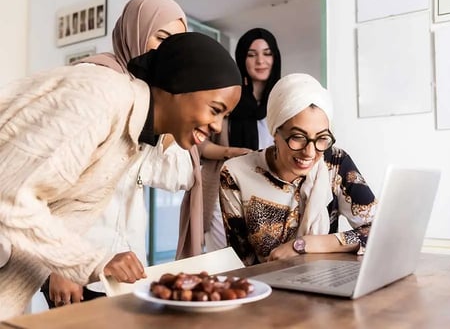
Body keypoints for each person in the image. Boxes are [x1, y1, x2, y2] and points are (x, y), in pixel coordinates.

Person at [0, 32, 242, 319]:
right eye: (216, 110)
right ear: (180, 84)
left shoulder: (133, 140)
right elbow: (10, 196)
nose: (217, 125)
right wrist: (93, 261)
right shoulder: (101, 97)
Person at [40, 0, 202, 309]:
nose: (167, 52)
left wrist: (172, 108)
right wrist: (59, 264)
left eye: (175, 44)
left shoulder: (146, 101)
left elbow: (177, 177)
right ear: (135, 32)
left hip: (126, 271)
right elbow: (47, 184)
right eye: (161, 38)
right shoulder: (94, 87)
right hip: (76, 267)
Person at [219, 73, 376, 266]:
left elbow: (381, 230)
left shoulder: (335, 162)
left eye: (322, 138)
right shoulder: (235, 174)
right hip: (267, 285)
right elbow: (241, 262)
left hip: (325, 280)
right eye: (298, 137)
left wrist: (305, 244)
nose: (310, 152)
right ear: (275, 133)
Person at [201, 28, 282, 252]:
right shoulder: (227, 97)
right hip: (223, 191)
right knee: (223, 263)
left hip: (270, 195)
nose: (260, 61)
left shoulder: (282, 102)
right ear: (241, 59)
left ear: (275, 58)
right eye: (251, 54)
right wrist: (231, 152)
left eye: (267, 53)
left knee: (262, 265)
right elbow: (200, 145)